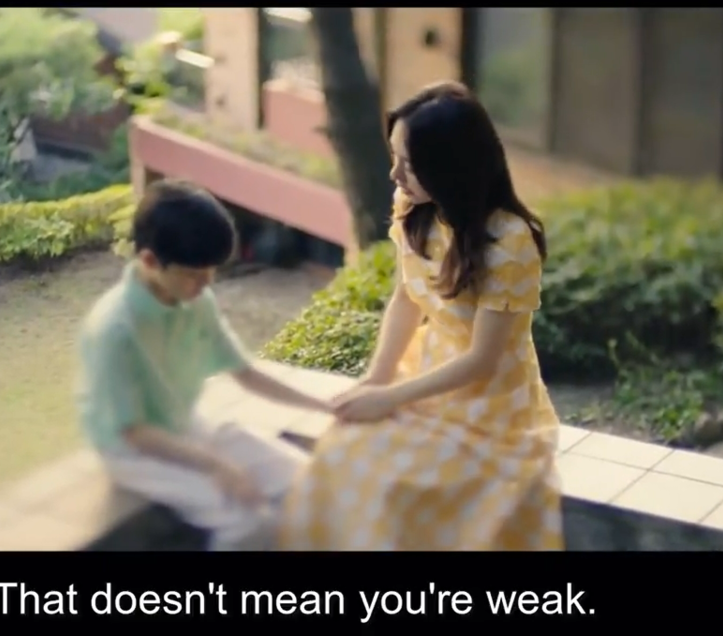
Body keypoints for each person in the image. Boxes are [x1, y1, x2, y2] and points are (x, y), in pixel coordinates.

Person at [280, 81, 564, 551]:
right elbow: (406, 298)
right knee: (340, 451)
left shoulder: (510, 241)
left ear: (450, 167)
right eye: (395, 158)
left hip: (490, 404)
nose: (394, 175)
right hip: (427, 369)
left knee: (397, 484)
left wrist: (390, 398)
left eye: (408, 165)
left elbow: (483, 360)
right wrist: (377, 379)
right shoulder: (415, 208)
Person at [78, 179, 329, 551]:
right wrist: (217, 465)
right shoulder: (115, 329)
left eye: (211, 271)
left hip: (185, 425)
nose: (206, 283)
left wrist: (325, 406)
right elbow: (135, 433)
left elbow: (244, 372)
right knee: (247, 520)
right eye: (194, 274)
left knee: (306, 479)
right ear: (149, 262)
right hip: (133, 451)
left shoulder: (197, 301)